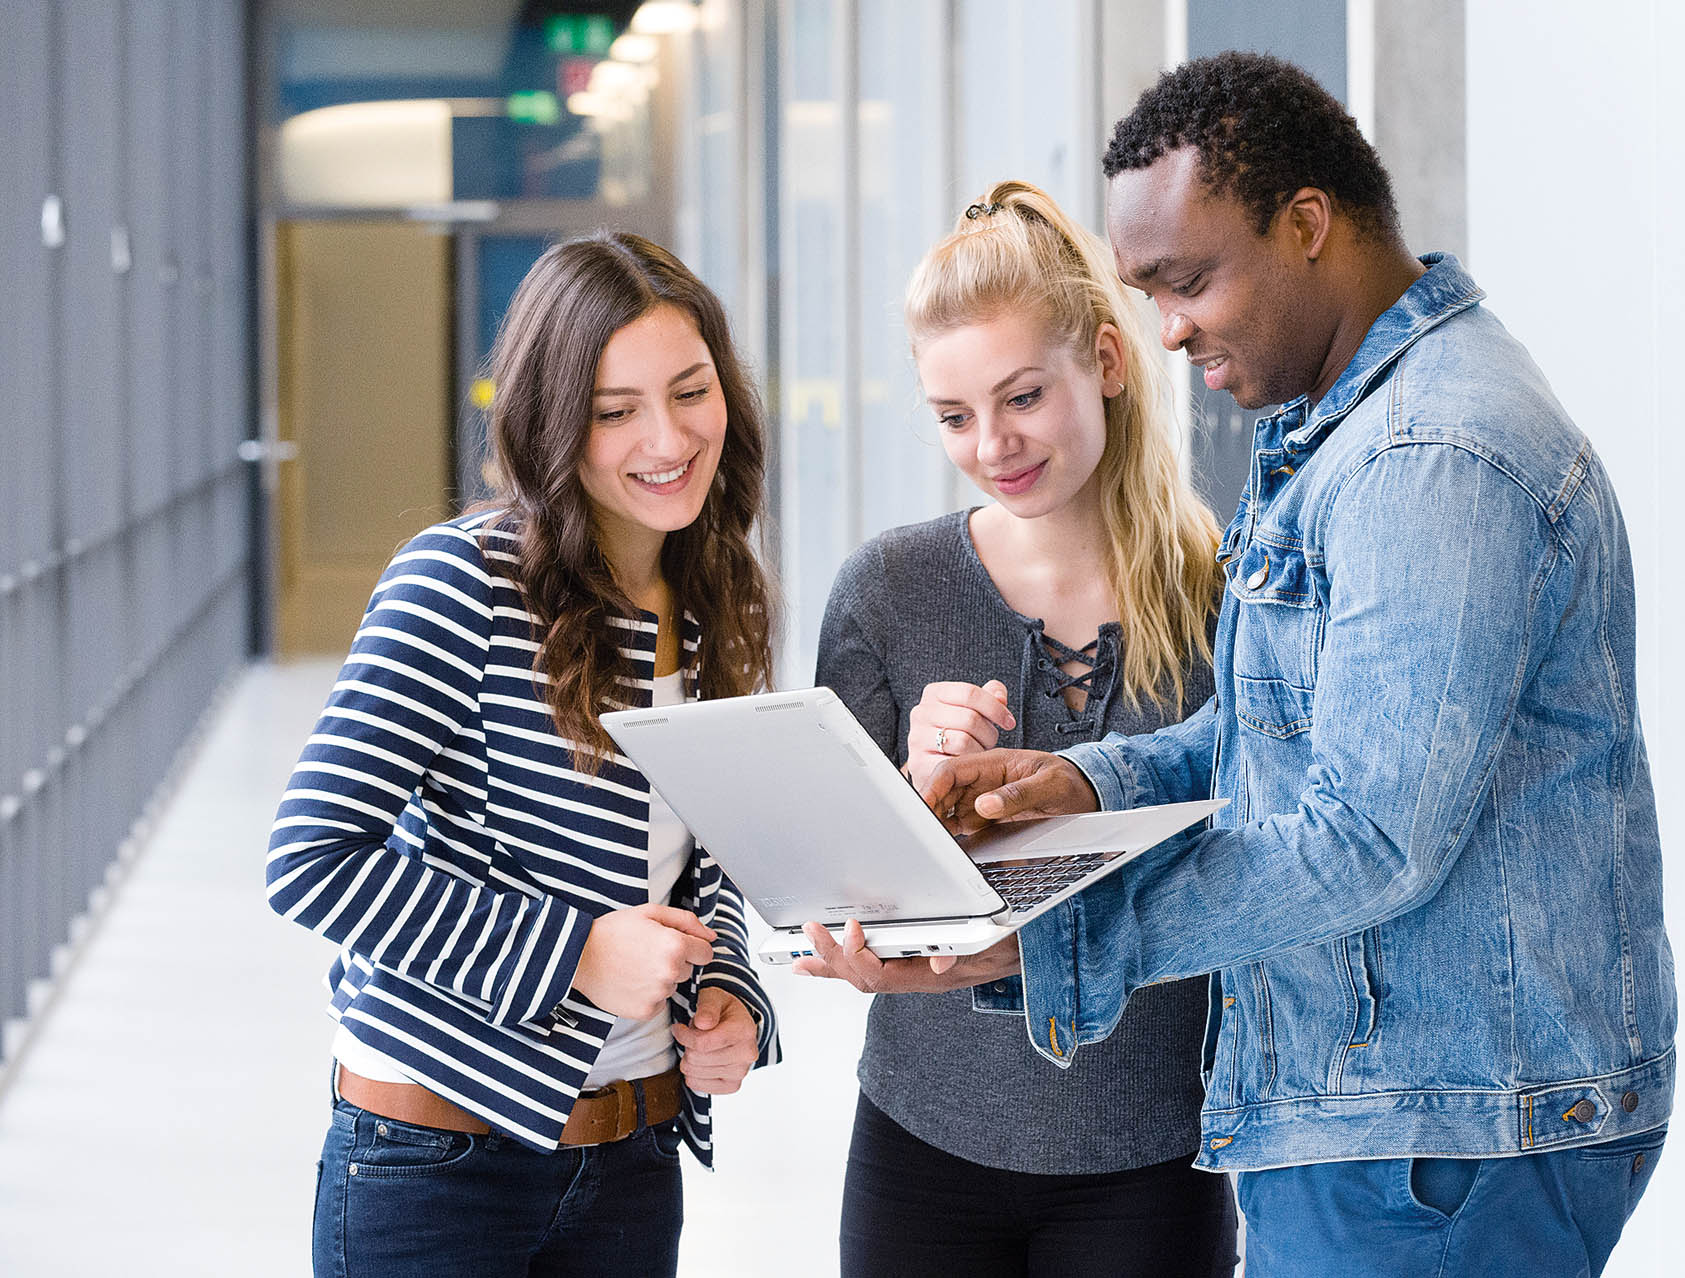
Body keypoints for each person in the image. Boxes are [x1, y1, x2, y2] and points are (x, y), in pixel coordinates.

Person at [913, 54, 1678, 1276]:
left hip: (1438, 1145)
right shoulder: (1344, 431)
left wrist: (1059, 934)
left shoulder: (1432, 454)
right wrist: (1091, 784)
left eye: (1189, 281)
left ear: (1307, 222)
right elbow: (1294, 730)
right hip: (1397, 1123)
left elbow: (1369, 832)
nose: (1166, 331)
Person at [266, 232, 781, 1278]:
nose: (668, 438)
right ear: (554, 423)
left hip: (633, 1156)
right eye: (614, 410)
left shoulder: (716, 592)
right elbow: (311, 857)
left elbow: (707, 854)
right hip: (434, 1163)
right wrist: (580, 953)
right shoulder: (461, 582)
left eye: (691, 391)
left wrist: (727, 986)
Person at [796, 181, 1237, 1276]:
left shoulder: (1227, 590)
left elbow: (1263, 867)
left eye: (1023, 396)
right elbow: (829, 891)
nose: (992, 444)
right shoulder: (886, 591)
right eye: (953, 416)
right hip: (922, 1144)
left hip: (1154, 1151)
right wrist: (912, 792)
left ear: (1108, 361)